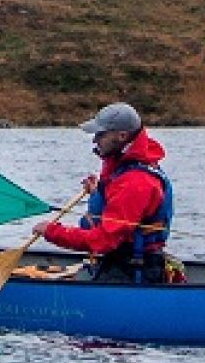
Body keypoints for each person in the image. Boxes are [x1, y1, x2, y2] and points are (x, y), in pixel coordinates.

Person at [37, 102, 176, 282]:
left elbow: (103, 241)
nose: (95, 140)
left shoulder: (136, 182)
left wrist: (52, 232)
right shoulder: (122, 164)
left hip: (132, 271)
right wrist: (98, 192)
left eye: (101, 135)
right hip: (121, 262)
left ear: (122, 136)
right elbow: (118, 202)